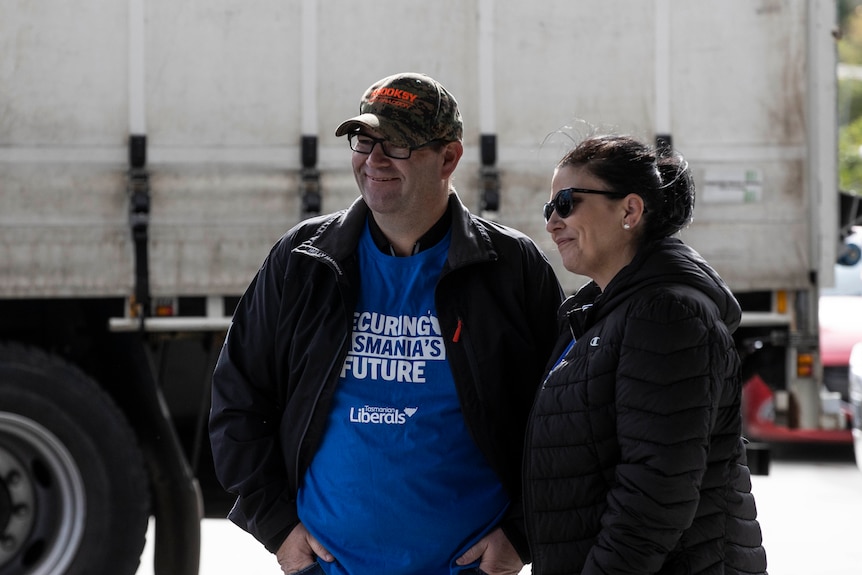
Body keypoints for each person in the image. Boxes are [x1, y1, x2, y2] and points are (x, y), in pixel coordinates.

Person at [208, 72, 564, 575]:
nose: (373, 159)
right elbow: (238, 398)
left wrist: (521, 536)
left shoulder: (509, 268)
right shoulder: (304, 259)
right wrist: (278, 529)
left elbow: (564, 421)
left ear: (449, 158)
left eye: (396, 144)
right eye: (364, 140)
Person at [523, 134, 768, 574]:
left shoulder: (667, 315)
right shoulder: (601, 313)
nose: (551, 222)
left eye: (566, 202)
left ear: (630, 210)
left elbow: (655, 492)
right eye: (549, 208)